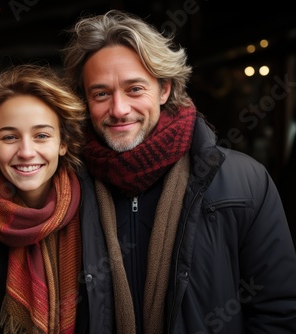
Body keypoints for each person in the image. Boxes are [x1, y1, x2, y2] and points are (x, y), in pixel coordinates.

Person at [61, 9, 296, 334]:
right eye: (101, 93)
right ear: (85, 101)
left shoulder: (245, 182)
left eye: (134, 89)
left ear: (165, 90)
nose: (118, 109)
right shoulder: (65, 185)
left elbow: (278, 310)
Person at [0, 64, 110, 333]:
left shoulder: (97, 208)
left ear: (63, 143)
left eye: (41, 135)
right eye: (10, 137)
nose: (26, 151)